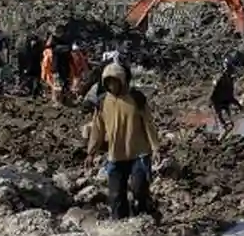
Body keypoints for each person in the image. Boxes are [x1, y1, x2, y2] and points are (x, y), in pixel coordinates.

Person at [86, 62, 162, 220]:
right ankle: (121, 226)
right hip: (116, 155)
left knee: (139, 190)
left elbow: (149, 124)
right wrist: (91, 153)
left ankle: (146, 219)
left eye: (114, 82)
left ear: (122, 80)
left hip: (139, 154)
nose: (111, 86)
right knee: (115, 195)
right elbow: (97, 130)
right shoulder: (102, 102)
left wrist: (155, 148)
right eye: (108, 83)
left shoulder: (136, 99)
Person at [210, 58, 243, 135]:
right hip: (217, 101)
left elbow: (230, 95)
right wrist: (211, 100)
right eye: (229, 68)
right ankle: (221, 130)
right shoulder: (219, 78)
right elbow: (213, 91)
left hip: (225, 101)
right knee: (220, 118)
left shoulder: (230, 81)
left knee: (229, 120)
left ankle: (226, 129)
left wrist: (238, 105)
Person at [41, 32, 74, 104]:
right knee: (65, 85)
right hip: (66, 70)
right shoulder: (67, 49)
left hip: (56, 69)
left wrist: (44, 75)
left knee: (57, 87)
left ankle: (57, 102)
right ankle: (66, 100)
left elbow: (46, 63)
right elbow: (71, 61)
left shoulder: (54, 50)